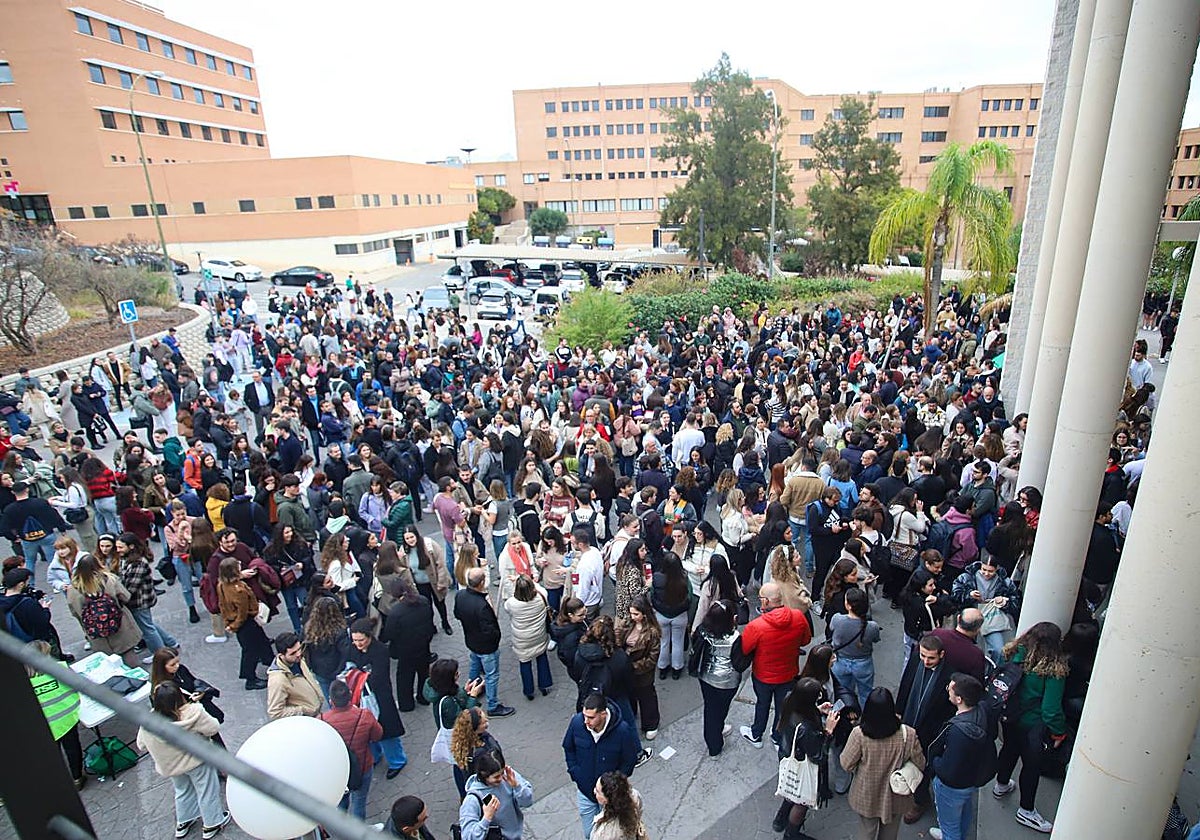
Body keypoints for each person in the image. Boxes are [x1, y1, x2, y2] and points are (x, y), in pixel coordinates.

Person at [992, 622, 1068, 834]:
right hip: (1033, 725)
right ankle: (1026, 810)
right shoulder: (1054, 670)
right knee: (1032, 766)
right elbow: (1050, 709)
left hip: (1009, 717)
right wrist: (1058, 732)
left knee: (1008, 749)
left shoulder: (1015, 653)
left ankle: (1001, 784)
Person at [136, 682, 231, 840]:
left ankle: (184, 821)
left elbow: (141, 745)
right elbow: (213, 728)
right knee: (207, 791)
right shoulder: (193, 712)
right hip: (197, 760)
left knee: (182, 790)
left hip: (170, 765)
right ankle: (212, 823)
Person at [739, 581, 813, 749]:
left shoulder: (756, 626)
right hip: (789, 673)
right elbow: (806, 640)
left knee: (762, 704)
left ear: (765, 602)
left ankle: (756, 734)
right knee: (783, 707)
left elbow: (745, 648)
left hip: (763, 676)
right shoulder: (798, 617)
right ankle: (778, 737)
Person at [563, 692, 643, 840]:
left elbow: (629, 760)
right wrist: (575, 772)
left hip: (611, 797)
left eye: (591, 717)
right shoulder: (577, 723)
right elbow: (569, 747)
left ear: (603, 714)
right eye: (585, 715)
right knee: (590, 835)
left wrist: (614, 785)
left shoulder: (622, 731)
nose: (586, 721)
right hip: (586, 791)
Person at [926, 674, 996, 840]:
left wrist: (935, 762)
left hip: (951, 787)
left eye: (950, 690)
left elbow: (948, 769)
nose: (947, 692)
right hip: (970, 779)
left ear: (959, 699)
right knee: (964, 813)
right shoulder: (983, 710)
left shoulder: (958, 731)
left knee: (950, 826)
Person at [896, 634, 955, 825]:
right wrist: (898, 710)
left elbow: (949, 709)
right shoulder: (916, 658)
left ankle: (920, 800)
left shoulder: (950, 675)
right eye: (923, 656)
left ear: (942, 655)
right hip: (908, 721)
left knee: (923, 766)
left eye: (931, 658)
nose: (925, 661)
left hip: (930, 730)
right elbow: (905, 683)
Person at [772, 677, 841, 840]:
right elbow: (818, 755)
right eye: (817, 696)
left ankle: (780, 819)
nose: (819, 698)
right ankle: (791, 834)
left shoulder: (789, 700)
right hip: (802, 761)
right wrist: (829, 731)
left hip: (787, 754)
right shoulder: (806, 728)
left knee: (791, 789)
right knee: (801, 801)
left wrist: (816, 709)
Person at [348, 617, 409, 778]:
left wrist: (358, 676)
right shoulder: (353, 648)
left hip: (380, 696)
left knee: (386, 730)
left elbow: (378, 676)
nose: (358, 644)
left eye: (361, 640)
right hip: (362, 697)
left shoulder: (380, 650)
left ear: (369, 637)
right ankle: (375, 755)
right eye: (355, 640)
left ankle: (397, 760)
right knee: (367, 729)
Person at [454, 566, 515, 717]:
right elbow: (490, 630)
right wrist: (496, 637)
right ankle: (493, 705)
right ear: (481, 582)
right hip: (486, 646)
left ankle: (473, 690)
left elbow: (457, 614)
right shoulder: (481, 605)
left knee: (475, 666)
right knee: (491, 675)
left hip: (471, 640)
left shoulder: (460, 595)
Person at [25, 640, 85, 789]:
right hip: (67, 718)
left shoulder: (23, 681)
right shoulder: (59, 669)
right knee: (72, 748)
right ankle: (77, 778)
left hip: (44, 725)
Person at [423, 657, 486, 797]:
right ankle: (468, 795)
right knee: (463, 766)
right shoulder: (447, 702)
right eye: (456, 674)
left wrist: (464, 693)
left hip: (452, 734)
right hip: (459, 737)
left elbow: (457, 702)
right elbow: (465, 718)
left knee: (459, 764)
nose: (459, 675)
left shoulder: (437, 691)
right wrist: (473, 697)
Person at [321, 677, 382, 819]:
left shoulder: (322, 720)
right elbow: (377, 736)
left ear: (331, 700)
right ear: (350, 695)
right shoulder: (364, 715)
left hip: (337, 771)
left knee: (340, 802)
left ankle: (342, 829)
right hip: (362, 766)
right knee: (359, 802)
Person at [66, 553, 142, 666]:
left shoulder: (72, 590)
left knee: (111, 664)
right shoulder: (109, 580)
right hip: (120, 626)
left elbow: (75, 612)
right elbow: (126, 597)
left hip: (97, 633)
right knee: (129, 656)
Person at [693, 599, 741, 757]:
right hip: (728, 682)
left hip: (706, 677)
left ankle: (716, 731)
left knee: (710, 708)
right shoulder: (735, 638)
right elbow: (740, 662)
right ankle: (715, 742)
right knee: (719, 709)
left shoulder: (702, 631)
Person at [150, 648, 226, 748]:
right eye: (172, 665)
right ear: (162, 667)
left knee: (216, 741)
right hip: (187, 720)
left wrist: (199, 692)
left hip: (200, 711)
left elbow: (193, 681)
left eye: (177, 662)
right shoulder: (162, 687)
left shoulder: (181, 670)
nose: (176, 666)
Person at [949, 558, 1021, 664]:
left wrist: (1004, 602)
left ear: (996, 569)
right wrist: (969, 595)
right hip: (970, 616)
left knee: (998, 649)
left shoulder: (1005, 582)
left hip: (991, 617)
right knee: (961, 646)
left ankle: (994, 670)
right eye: (984, 570)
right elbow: (955, 595)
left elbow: (1015, 601)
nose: (986, 573)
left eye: (990, 571)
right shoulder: (966, 577)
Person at [216, 556, 272, 690]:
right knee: (250, 650)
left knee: (261, 642)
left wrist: (228, 623)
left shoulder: (222, 585)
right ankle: (250, 678)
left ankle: (269, 661)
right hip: (245, 623)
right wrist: (234, 626)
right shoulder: (238, 590)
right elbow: (243, 613)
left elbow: (222, 605)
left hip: (236, 621)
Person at [380, 578, 435, 711]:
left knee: (405, 677)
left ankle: (406, 704)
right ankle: (423, 697)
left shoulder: (396, 612)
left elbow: (389, 634)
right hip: (423, 644)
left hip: (405, 649)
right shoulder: (423, 601)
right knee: (423, 672)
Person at [458, 751, 534, 840]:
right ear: (484, 776)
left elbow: (527, 802)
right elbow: (468, 837)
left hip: (516, 835)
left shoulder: (508, 776)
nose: (501, 779)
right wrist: (487, 818)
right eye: (496, 777)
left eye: (502, 773)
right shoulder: (472, 800)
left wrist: (517, 786)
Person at [828, 587, 883, 709]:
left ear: (848, 605)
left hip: (840, 662)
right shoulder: (872, 626)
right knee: (866, 693)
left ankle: (843, 714)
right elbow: (875, 639)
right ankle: (865, 716)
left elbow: (831, 628)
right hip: (863, 664)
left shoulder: (837, 619)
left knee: (842, 692)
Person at [618, 593, 662, 740]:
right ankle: (633, 713)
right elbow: (619, 639)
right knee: (630, 695)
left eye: (636, 614)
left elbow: (652, 658)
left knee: (647, 698)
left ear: (644, 613)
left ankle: (651, 723)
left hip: (642, 673)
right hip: (627, 670)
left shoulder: (652, 632)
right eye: (631, 613)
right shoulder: (628, 623)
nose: (632, 617)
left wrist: (633, 666)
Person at [503, 573, 554, 700]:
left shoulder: (512, 603)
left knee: (525, 663)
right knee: (541, 657)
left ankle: (529, 691)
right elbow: (539, 588)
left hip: (522, 639)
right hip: (539, 634)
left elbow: (506, 609)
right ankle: (544, 685)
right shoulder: (542, 596)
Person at [1, 480, 68, 573]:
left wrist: (13, 537)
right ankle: (59, 580)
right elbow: (54, 515)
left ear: (13, 492)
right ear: (27, 490)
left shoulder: (10, 509)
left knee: (30, 560)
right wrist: (62, 528)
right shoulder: (40, 502)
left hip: (27, 538)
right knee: (53, 558)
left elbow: (5, 527)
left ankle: (30, 583)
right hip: (46, 534)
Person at [402, 525, 453, 634]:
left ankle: (445, 623)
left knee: (440, 603)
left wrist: (441, 582)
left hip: (434, 582)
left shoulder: (429, 545)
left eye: (412, 537)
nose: (410, 540)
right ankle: (431, 626)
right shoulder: (404, 551)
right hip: (419, 584)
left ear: (416, 535)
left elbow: (441, 565)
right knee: (426, 606)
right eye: (407, 538)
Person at [650, 549, 690, 679]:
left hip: (661, 614)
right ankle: (676, 668)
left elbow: (652, 595)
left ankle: (663, 667)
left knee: (664, 642)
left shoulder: (656, 578)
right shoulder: (684, 578)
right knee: (677, 642)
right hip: (679, 615)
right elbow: (689, 595)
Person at [266, 630, 323, 718]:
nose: (299, 654)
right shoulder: (278, 680)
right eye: (293, 653)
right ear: (281, 655)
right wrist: (302, 711)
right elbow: (275, 712)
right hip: (305, 719)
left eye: (299, 649)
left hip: (316, 713)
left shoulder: (298, 660)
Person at [590, 770, 647, 840]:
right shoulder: (635, 796)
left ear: (607, 799)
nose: (594, 791)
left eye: (598, 791)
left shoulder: (605, 834)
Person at [572, 525, 605, 619]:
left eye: (573, 543)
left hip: (588, 602)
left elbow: (583, 587)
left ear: (580, 544)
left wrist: (578, 605)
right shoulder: (595, 551)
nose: (572, 545)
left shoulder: (584, 565)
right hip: (597, 596)